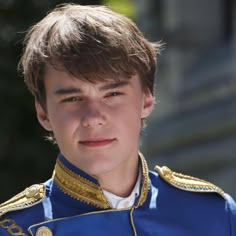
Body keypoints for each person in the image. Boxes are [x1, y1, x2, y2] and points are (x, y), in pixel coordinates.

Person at [0, 3, 235, 236]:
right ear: (43, 113)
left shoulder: (215, 215)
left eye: (112, 94)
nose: (93, 118)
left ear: (146, 100)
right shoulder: (12, 229)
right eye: (73, 98)